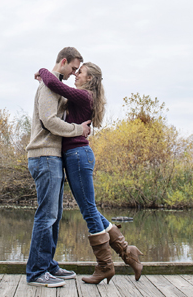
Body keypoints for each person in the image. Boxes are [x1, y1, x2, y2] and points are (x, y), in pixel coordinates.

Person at [36, 61, 143, 284]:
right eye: (75, 71)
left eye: (80, 72)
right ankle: (127, 253)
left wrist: (44, 72)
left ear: (89, 79)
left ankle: (106, 266)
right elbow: (59, 94)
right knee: (90, 210)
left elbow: (57, 86)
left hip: (77, 156)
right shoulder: (82, 97)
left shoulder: (84, 96)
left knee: (89, 212)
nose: (75, 75)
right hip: (76, 156)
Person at [25, 47, 92, 288]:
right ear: (63, 61)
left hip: (53, 157)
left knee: (55, 215)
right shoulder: (46, 88)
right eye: (73, 68)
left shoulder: (52, 86)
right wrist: (78, 130)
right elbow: (49, 121)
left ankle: (48, 264)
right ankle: (36, 272)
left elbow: (64, 100)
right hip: (43, 156)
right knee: (46, 215)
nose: (75, 73)